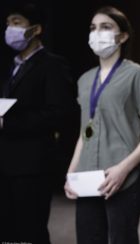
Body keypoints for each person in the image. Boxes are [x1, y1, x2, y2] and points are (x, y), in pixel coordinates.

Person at [64, 6, 140, 244]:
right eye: (93, 28)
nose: (97, 33)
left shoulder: (137, 74)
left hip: (123, 178)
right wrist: (71, 172)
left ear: (123, 36)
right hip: (87, 178)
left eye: (106, 27)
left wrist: (124, 168)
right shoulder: (84, 80)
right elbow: (83, 133)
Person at [0, 2, 77, 244]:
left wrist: (7, 124)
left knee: (30, 231)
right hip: (6, 164)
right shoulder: (12, 67)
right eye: (7, 23)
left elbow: (59, 113)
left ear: (36, 29)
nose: (9, 29)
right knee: (7, 231)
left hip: (32, 165)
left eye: (16, 23)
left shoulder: (52, 64)